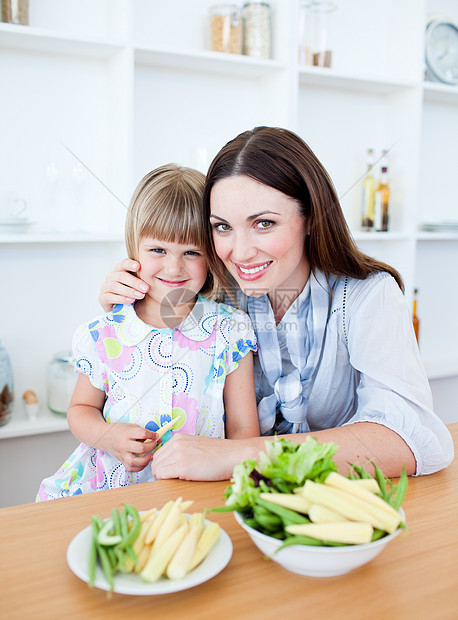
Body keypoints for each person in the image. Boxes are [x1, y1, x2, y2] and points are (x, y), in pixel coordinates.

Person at [99, 127, 454, 481]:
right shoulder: (213, 294)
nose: (239, 252)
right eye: (222, 227)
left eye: (264, 223)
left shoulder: (367, 296)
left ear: (312, 217)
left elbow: (411, 439)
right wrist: (128, 312)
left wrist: (244, 455)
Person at [36, 164, 259, 500]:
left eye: (191, 252)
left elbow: (244, 429)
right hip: (110, 491)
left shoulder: (231, 330)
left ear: (212, 254)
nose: (173, 267)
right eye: (158, 250)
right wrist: (108, 436)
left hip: (198, 492)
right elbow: (80, 410)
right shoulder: (105, 331)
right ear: (134, 247)